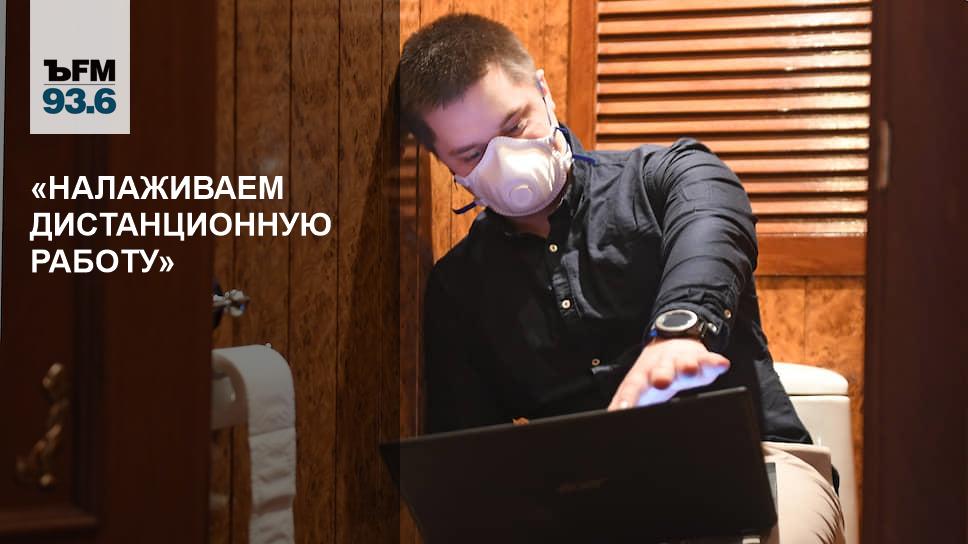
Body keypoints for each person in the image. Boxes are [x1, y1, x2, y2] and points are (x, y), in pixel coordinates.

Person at [399, 13, 845, 544]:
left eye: (514, 126)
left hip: (762, 462)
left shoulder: (665, 177)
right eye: (473, 154)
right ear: (445, 164)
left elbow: (714, 218)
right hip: (590, 500)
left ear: (543, 92)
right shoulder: (459, 290)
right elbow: (473, 461)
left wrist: (679, 333)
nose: (506, 159)